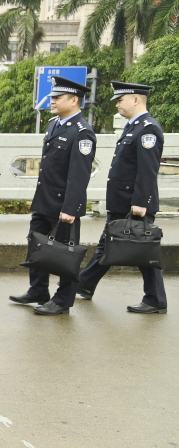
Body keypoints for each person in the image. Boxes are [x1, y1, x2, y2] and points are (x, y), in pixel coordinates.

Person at [77, 81, 166, 313]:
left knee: (145, 251)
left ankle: (156, 300)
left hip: (133, 204)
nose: (117, 104)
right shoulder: (133, 126)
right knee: (108, 246)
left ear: (136, 100)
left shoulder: (148, 129)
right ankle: (84, 285)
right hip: (122, 201)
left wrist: (140, 202)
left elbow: (147, 170)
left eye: (120, 100)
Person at [9, 76, 96, 316]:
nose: (52, 101)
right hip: (45, 200)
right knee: (36, 245)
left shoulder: (82, 133)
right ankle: (38, 290)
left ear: (74, 100)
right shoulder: (55, 124)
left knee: (65, 254)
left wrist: (70, 208)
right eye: (52, 97)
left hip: (63, 205)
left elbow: (79, 175)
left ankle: (63, 300)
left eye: (57, 98)